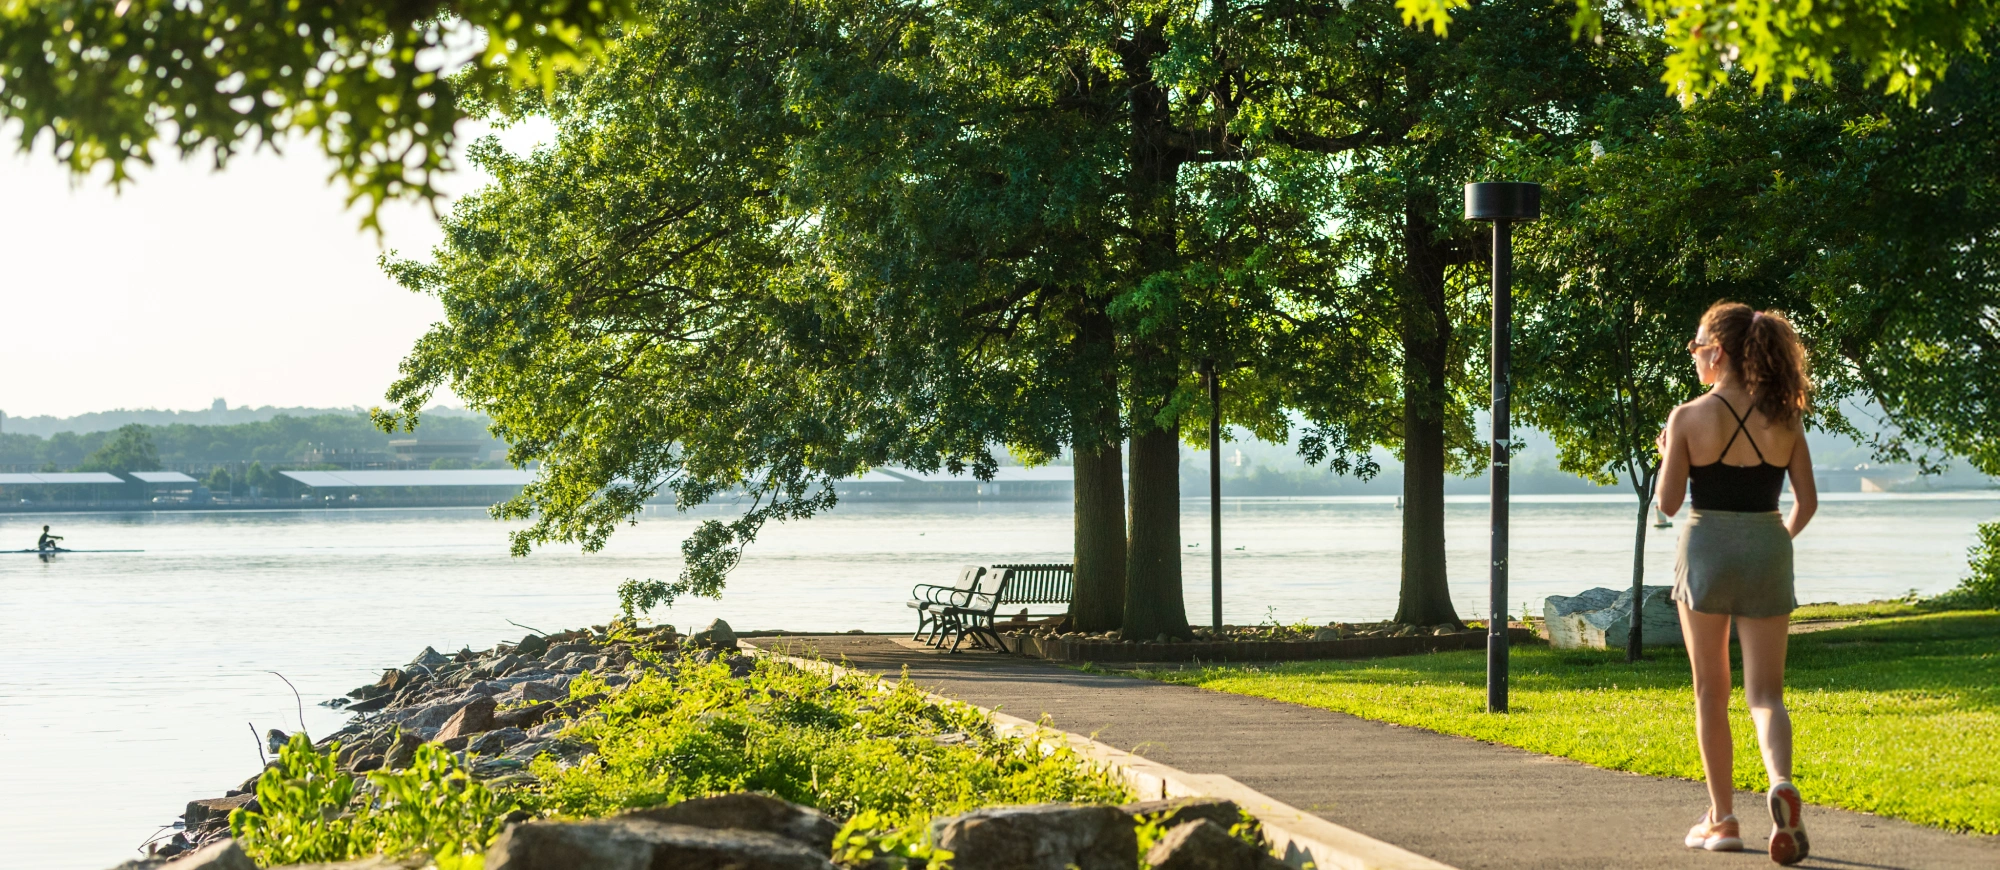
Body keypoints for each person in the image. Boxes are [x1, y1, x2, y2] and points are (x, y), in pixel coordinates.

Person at [1656, 302, 1818, 865]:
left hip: (1705, 551)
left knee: (1711, 693)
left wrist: (1665, 453)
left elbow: (1669, 503)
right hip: (1768, 545)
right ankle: (1780, 782)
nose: (1694, 354)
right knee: (1766, 694)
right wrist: (1773, 545)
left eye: (1698, 345)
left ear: (1718, 351)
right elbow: (1807, 503)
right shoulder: (1786, 416)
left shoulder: (1687, 416)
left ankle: (1722, 819)